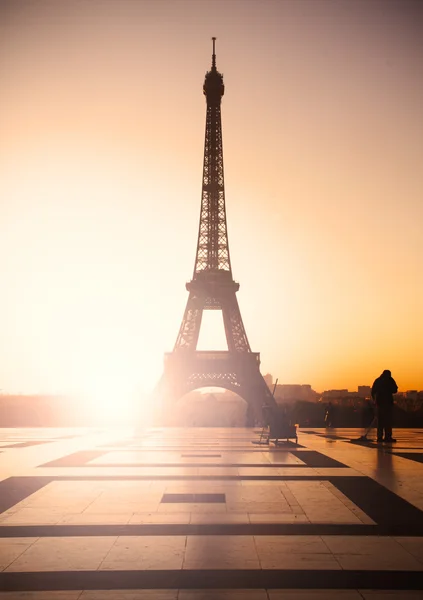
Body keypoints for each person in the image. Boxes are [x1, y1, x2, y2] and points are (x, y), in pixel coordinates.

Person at [371, 369, 398, 443]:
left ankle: (380, 437)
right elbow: (395, 390)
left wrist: (375, 400)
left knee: (381, 421)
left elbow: (373, 391)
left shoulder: (378, 380)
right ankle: (387, 437)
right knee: (387, 421)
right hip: (386, 403)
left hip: (381, 403)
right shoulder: (390, 380)